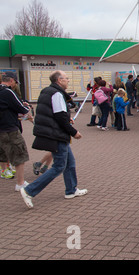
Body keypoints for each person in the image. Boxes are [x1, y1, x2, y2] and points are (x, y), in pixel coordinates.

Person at [20, 70, 87, 209]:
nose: (68, 80)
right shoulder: (57, 93)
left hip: (54, 131)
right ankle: (29, 191)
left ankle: (71, 190)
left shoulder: (48, 91)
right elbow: (60, 116)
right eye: (66, 78)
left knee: (70, 163)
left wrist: (66, 118)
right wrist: (73, 132)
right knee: (59, 166)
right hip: (56, 134)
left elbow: (55, 113)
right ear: (59, 80)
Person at [0, 72, 32, 190]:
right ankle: (20, 183)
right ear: (12, 80)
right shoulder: (8, 92)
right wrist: (27, 106)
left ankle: (4, 171)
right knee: (19, 154)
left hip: (1, 129)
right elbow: (22, 109)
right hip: (10, 129)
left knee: (3, 151)